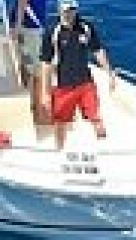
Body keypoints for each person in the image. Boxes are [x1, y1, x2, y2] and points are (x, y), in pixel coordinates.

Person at [39, 0, 113, 149]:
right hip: (63, 86)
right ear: (60, 10)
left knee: (96, 118)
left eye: (72, 9)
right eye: (65, 10)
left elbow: (98, 50)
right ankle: (59, 150)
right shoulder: (52, 31)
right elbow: (46, 64)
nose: (68, 13)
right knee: (61, 122)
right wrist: (45, 93)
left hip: (85, 83)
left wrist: (109, 73)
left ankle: (104, 148)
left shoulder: (86, 27)